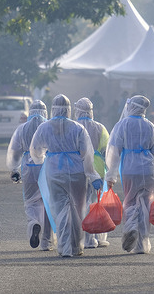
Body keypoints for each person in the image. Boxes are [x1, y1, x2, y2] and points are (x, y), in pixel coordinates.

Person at [30, 94, 102, 257]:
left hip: (54, 172)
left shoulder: (45, 127)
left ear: (53, 108)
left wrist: (42, 159)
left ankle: (64, 247)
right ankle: (77, 247)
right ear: (69, 109)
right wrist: (92, 175)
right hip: (77, 172)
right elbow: (87, 153)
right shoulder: (77, 128)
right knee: (78, 210)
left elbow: (35, 149)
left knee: (60, 209)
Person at [105, 94, 154, 254]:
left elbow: (113, 152)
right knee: (145, 203)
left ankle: (131, 226)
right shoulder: (150, 126)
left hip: (130, 169)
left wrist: (110, 176)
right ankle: (142, 244)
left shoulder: (122, 125)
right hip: (148, 170)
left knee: (131, 201)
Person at [6, 100, 56, 250]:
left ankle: (34, 222)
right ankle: (46, 242)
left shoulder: (22, 129)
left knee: (31, 201)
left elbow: (14, 151)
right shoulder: (50, 127)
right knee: (48, 203)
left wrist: (14, 169)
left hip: (28, 167)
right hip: (47, 166)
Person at [74, 97, 110, 248]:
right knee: (95, 203)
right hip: (98, 168)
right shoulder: (100, 128)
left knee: (81, 203)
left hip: (78, 167)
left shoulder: (74, 126)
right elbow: (107, 150)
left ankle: (81, 237)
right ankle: (94, 237)